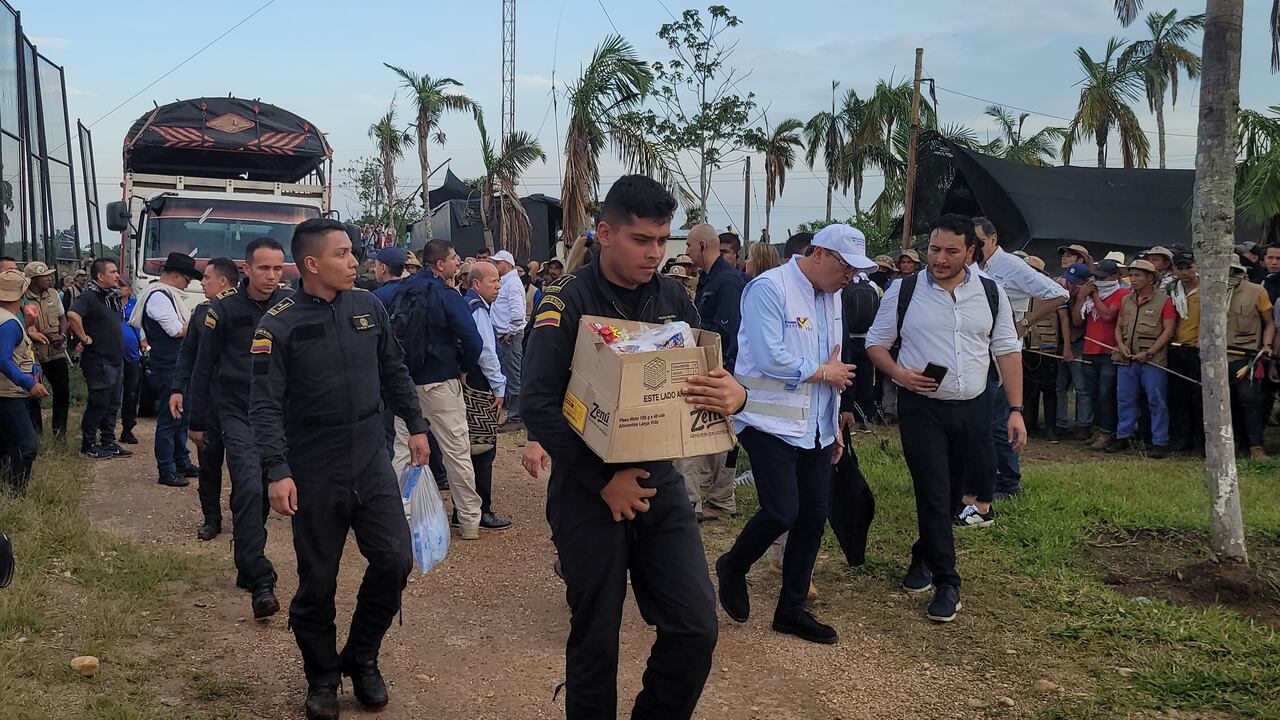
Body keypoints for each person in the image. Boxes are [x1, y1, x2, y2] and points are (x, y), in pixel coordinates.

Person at [522, 175, 745, 718]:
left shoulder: (672, 296)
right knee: (596, 638)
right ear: (604, 233)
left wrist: (733, 394)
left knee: (695, 626)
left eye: (662, 241)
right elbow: (537, 405)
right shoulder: (565, 303)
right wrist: (603, 481)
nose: (654, 253)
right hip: (587, 488)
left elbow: (702, 375)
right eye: (641, 239)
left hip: (658, 481)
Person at [250, 218, 430, 720]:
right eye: (343, 253)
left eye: (354, 253)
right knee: (318, 580)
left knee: (395, 559)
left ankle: (363, 656)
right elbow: (263, 405)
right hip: (313, 466)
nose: (355, 262)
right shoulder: (278, 323)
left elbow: (393, 370)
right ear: (312, 263)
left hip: (370, 456)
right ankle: (323, 676)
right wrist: (277, 469)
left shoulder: (369, 306)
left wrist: (416, 425)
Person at [717, 222, 873, 644]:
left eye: (856, 272)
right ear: (818, 253)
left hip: (816, 425)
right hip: (767, 420)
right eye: (846, 267)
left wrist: (835, 416)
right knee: (782, 511)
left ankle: (791, 609)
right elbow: (771, 357)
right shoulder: (770, 289)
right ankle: (733, 564)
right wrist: (825, 373)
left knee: (812, 518)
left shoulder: (834, 297)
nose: (849, 279)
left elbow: (836, 362)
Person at [866, 214, 1025, 623]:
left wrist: (1016, 410)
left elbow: (1006, 350)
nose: (939, 258)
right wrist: (900, 374)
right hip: (922, 410)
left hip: (973, 407)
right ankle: (947, 582)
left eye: (951, 251)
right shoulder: (903, 292)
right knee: (933, 492)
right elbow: (876, 344)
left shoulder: (991, 293)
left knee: (954, 495)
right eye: (934, 249)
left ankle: (923, 554)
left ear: (970, 253)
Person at [188, 238, 293, 616]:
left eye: (278, 268)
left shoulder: (289, 307)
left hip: (281, 413)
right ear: (246, 269)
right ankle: (259, 579)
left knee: (268, 489)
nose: (271, 276)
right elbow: (203, 366)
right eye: (264, 268)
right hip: (237, 411)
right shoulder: (223, 310)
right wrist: (196, 420)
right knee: (248, 486)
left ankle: (247, 561)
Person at [389, 239, 485, 539]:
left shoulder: (399, 290)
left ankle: (401, 518)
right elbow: (473, 340)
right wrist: (463, 368)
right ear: (440, 264)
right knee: (456, 451)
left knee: (402, 452)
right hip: (441, 383)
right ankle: (469, 521)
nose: (458, 263)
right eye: (454, 258)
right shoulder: (446, 294)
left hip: (404, 385)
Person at [971, 217, 1068, 509]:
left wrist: (1025, 322)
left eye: (979, 242)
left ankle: (1009, 481)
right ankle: (987, 476)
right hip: (978, 352)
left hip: (1004, 352)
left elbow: (1058, 294)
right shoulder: (973, 268)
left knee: (1000, 418)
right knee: (983, 419)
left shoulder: (1011, 266)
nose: (974, 247)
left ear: (993, 240)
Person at [678, 224, 746, 522]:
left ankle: (711, 500)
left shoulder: (728, 282)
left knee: (712, 435)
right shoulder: (708, 279)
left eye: (690, 247)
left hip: (723, 371)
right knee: (712, 434)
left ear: (703, 245)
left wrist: (692, 336)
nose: (688, 252)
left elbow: (728, 332)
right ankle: (714, 500)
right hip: (710, 366)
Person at [171, 257, 239, 541]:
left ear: (223, 281)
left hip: (239, 403)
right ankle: (212, 518)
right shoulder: (201, 312)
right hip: (208, 402)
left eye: (207, 278)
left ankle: (245, 518)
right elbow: (188, 354)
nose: (202, 282)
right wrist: (177, 388)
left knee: (244, 467)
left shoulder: (247, 310)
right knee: (209, 464)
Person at [132, 253, 201, 485]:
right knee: (170, 418)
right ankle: (167, 468)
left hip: (176, 365)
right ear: (175, 276)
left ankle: (181, 461)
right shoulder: (159, 297)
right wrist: (197, 319)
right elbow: (174, 330)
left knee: (182, 416)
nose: (188, 284)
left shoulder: (168, 295)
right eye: (187, 278)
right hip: (167, 365)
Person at [1106, 258, 1176, 458]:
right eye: (1132, 275)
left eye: (1138, 275)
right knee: (1125, 399)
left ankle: (1159, 441)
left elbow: (1168, 330)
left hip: (1152, 360)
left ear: (1150, 278)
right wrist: (1120, 345)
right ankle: (1124, 436)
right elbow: (1119, 326)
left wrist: (1150, 352)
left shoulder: (1165, 301)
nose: (1133, 279)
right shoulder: (1125, 300)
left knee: (1156, 400)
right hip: (1126, 358)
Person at [462, 261, 513, 530]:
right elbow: (486, 353)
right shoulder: (478, 309)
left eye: (498, 280)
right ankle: (481, 511)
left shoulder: (467, 304)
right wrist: (499, 387)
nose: (498, 285)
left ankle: (466, 510)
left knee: (469, 449)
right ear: (476, 284)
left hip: (470, 384)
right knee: (482, 449)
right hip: (480, 387)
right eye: (493, 281)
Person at [68, 258, 128, 460]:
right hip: (98, 360)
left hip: (115, 358)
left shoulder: (111, 297)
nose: (117, 275)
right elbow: (73, 315)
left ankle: (108, 442)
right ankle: (88, 444)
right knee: (99, 402)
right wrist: (84, 338)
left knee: (113, 404)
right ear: (100, 276)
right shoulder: (89, 296)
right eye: (112, 272)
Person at [1220, 258, 1275, 459]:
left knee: (1251, 400)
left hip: (1247, 355)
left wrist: (1266, 346)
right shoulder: (1210, 291)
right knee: (1227, 403)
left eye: (1232, 271)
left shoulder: (1256, 291)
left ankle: (1256, 445)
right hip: (1218, 358)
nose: (1228, 276)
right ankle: (1236, 444)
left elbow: (1269, 322)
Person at [0, 269, 47, 494]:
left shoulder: (7, 319)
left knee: (6, 445)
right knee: (27, 446)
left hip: (7, 392)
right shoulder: (9, 323)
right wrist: (29, 383)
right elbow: (3, 359)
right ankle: (16, 494)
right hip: (8, 394)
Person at [1073, 258, 1128, 451]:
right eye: (1096, 277)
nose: (1099, 281)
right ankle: (1098, 429)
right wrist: (1081, 298)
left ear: (1115, 276)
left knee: (1106, 393)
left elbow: (1107, 315)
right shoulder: (1089, 296)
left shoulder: (1121, 293)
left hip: (1109, 351)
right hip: (1090, 349)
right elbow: (1077, 321)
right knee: (1092, 392)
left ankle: (1108, 432)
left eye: (1103, 277)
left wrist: (1094, 296)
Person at [1021, 255, 1071, 442]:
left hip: (1047, 347)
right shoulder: (1020, 289)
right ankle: (1029, 425)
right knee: (1028, 389)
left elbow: (1064, 319)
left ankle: (1051, 429)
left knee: (1049, 390)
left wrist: (1065, 347)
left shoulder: (1052, 290)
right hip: (1027, 346)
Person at [21, 261, 70, 440]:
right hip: (34, 353)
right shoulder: (23, 298)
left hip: (56, 351)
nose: (50, 278)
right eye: (45, 276)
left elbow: (63, 318)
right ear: (33, 280)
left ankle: (60, 433)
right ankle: (36, 435)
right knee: (33, 395)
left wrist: (63, 335)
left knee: (62, 391)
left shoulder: (54, 294)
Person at [1167, 252, 1204, 455]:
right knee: (1177, 397)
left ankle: (1200, 442)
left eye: (1188, 267)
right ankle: (1181, 440)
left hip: (1197, 349)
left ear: (1196, 266)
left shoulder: (1206, 289)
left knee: (1198, 398)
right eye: (1180, 268)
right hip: (1175, 347)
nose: (1185, 272)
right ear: (1174, 270)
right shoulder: (1171, 289)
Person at [489, 250, 527, 428]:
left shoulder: (512, 283)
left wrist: (510, 332)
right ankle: (513, 414)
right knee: (509, 373)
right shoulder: (507, 282)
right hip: (505, 334)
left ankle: (516, 416)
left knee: (513, 375)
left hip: (509, 336)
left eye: (498, 263)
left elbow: (518, 313)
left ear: (509, 264)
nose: (495, 266)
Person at [1055, 263, 1093, 438]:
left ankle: (1083, 424)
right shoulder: (1062, 293)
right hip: (1061, 343)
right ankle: (1060, 422)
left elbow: (1077, 322)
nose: (1069, 285)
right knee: (1060, 385)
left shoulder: (1089, 298)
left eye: (1074, 282)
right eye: (1068, 280)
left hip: (1079, 343)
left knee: (1081, 386)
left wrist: (1080, 299)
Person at [118, 283, 143, 445]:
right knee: (110, 394)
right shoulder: (109, 303)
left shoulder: (136, 304)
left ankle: (127, 429)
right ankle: (104, 432)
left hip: (132, 356)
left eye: (124, 285)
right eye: (119, 285)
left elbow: (141, 326)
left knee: (131, 393)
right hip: (112, 355)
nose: (122, 288)